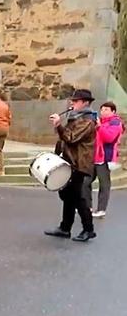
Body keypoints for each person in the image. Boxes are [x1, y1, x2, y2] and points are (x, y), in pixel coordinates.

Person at [45, 89, 98, 242]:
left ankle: (88, 229)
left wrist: (58, 125)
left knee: (77, 197)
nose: (72, 103)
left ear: (85, 102)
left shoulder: (88, 121)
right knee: (68, 195)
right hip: (70, 161)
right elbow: (65, 140)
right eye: (72, 101)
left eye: (75, 101)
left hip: (79, 164)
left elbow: (71, 138)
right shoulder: (76, 117)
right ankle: (65, 228)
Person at [90, 101, 123, 218]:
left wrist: (99, 128)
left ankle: (101, 209)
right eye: (102, 110)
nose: (103, 112)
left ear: (113, 111)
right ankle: (87, 206)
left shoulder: (115, 123)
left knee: (104, 184)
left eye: (106, 110)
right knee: (85, 181)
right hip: (93, 156)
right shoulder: (99, 122)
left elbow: (109, 138)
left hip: (105, 157)